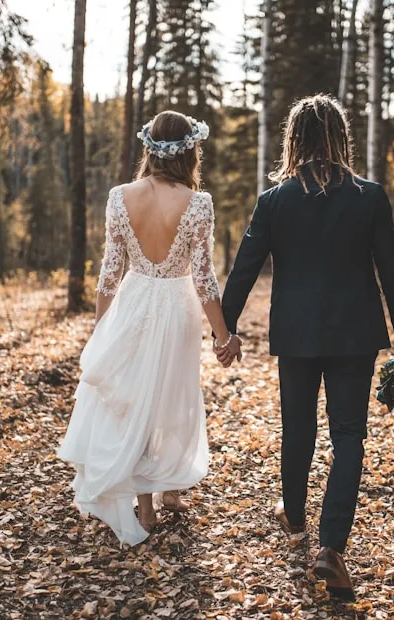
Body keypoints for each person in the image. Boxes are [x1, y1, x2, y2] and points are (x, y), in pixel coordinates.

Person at [218, 94, 394, 600]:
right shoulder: (369, 197)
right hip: (355, 335)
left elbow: (244, 268)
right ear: (340, 138)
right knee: (349, 435)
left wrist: (225, 330)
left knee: (298, 429)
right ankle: (330, 547)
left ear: (293, 140)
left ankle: (295, 519)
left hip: (297, 335)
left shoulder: (274, 201)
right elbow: (391, 272)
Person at [57, 111, 242, 546]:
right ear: (189, 151)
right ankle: (167, 488)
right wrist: (222, 335)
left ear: (150, 149)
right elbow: (203, 278)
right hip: (177, 306)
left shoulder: (120, 197)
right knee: (172, 393)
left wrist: (105, 330)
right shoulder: (198, 203)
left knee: (137, 393)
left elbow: (109, 272)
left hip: (134, 301)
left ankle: (150, 501)